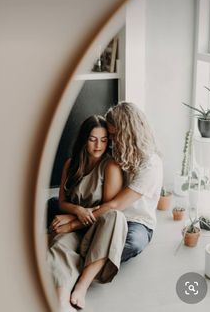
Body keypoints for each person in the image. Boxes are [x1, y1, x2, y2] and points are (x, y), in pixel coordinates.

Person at [52, 101, 163, 266]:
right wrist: (77, 211)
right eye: (109, 136)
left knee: (133, 244)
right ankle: (87, 247)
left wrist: (73, 223)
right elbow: (104, 202)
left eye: (113, 135)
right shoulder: (116, 149)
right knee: (51, 206)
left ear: (127, 133)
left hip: (134, 220)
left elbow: (115, 204)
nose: (109, 141)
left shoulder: (151, 165)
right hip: (104, 211)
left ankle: (82, 259)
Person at [48, 115, 128, 312]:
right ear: (84, 139)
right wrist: (77, 210)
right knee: (60, 249)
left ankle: (81, 287)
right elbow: (62, 201)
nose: (98, 145)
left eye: (103, 139)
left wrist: (73, 219)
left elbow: (107, 209)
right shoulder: (71, 164)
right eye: (93, 139)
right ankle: (60, 301)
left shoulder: (110, 166)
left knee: (117, 217)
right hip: (73, 228)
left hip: (97, 228)